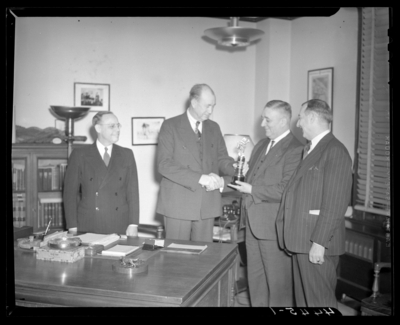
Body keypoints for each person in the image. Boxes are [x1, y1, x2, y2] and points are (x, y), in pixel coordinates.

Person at [276, 99, 353, 308]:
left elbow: (335, 203)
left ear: (311, 117)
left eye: (300, 118)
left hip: (317, 243)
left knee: (319, 304)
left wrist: (319, 243)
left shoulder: (335, 150)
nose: (298, 124)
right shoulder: (310, 149)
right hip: (301, 239)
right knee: (304, 303)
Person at [228, 100, 303, 307]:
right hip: (252, 225)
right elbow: (252, 177)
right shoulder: (261, 145)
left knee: (279, 287)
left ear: (283, 121)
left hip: (274, 229)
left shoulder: (296, 149)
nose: (262, 124)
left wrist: (251, 189)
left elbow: (285, 189)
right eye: (263, 118)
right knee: (256, 282)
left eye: (267, 119)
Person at [156, 84, 236, 242]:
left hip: (207, 203)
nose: (211, 111)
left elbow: (221, 158)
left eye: (213, 106)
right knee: (177, 257)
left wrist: (235, 167)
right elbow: (164, 165)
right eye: (207, 106)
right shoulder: (170, 126)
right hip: (178, 203)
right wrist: (200, 178)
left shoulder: (214, 128)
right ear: (193, 102)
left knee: (204, 257)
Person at [63, 111, 139, 235]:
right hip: (88, 222)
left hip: (119, 222)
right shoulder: (80, 154)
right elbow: (70, 194)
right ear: (98, 128)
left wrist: (133, 224)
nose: (117, 129)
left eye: (118, 125)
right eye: (111, 126)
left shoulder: (127, 154)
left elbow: (133, 192)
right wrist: (72, 226)